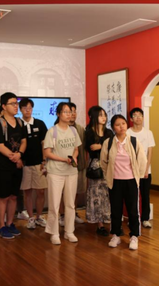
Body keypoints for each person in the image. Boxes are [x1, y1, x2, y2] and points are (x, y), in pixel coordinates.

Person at [100, 115, 147, 251]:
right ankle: (116, 235)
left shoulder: (134, 141)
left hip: (131, 181)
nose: (121, 127)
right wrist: (108, 175)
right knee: (115, 210)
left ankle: (134, 236)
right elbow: (103, 162)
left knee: (133, 210)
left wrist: (138, 176)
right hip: (115, 181)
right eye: (117, 124)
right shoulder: (108, 142)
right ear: (113, 127)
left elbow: (142, 160)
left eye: (123, 123)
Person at [43, 102, 81, 245]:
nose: (68, 114)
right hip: (55, 172)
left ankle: (69, 231)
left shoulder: (73, 130)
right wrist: (64, 159)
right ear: (58, 114)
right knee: (54, 204)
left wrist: (74, 157)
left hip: (71, 171)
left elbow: (76, 149)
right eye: (65, 112)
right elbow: (47, 153)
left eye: (70, 112)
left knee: (70, 203)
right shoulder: (52, 131)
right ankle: (54, 233)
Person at [0, 93, 27, 239]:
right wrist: (14, 157)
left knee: (13, 196)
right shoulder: (0, 123)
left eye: (16, 103)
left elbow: (24, 141)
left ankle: (10, 223)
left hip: (17, 164)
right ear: (4, 106)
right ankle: (1, 226)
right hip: (2, 165)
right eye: (12, 103)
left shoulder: (20, 122)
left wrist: (19, 154)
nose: (16, 106)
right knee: (4, 196)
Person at [18, 98, 48, 230]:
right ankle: (30, 218)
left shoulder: (40, 124)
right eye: (25, 108)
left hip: (38, 163)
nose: (27, 110)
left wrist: (44, 160)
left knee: (41, 191)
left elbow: (44, 144)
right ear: (20, 110)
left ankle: (39, 216)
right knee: (27, 192)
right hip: (24, 164)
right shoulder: (18, 124)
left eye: (30, 108)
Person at [84, 106, 113, 236]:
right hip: (95, 166)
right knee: (96, 195)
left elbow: (113, 146)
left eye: (104, 115)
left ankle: (109, 220)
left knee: (108, 194)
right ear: (94, 117)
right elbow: (91, 148)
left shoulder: (109, 132)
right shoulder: (89, 132)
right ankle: (99, 224)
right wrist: (104, 146)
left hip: (109, 166)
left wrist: (100, 146)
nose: (104, 117)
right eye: (101, 115)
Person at [58, 102, 86, 226]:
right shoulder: (57, 129)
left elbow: (81, 148)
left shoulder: (80, 129)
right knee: (62, 192)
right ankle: (62, 215)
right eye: (69, 112)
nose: (72, 114)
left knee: (75, 191)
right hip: (62, 166)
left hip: (79, 165)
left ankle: (73, 213)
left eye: (74, 111)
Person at [127, 107, 156, 228]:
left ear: (143, 118)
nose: (138, 118)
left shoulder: (148, 133)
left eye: (140, 115)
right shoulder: (127, 133)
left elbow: (150, 152)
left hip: (145, 170)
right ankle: (132, 218)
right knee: (132, 195)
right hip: (130, 170)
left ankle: (145, 218)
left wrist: (146, 169)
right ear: (131, 119)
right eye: (135, 115)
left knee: (145, 195)